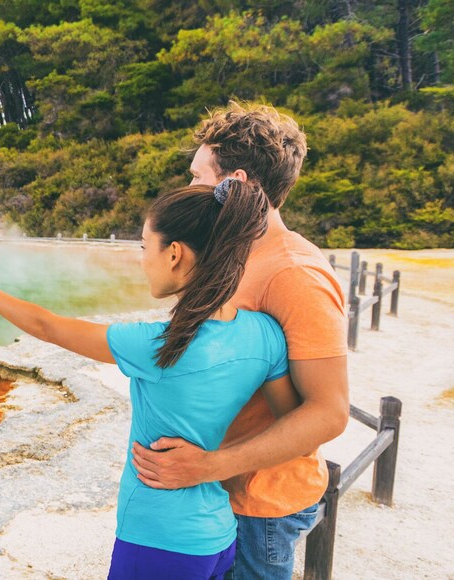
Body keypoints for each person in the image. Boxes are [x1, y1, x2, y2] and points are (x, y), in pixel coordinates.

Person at [0, 179, 300, 579]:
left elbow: (49, 327)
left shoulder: (158, 346)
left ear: (174, 254)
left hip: (157, 538)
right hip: (218, 534)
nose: (140, 259)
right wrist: (214, 464)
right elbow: (289, 421)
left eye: (142, 246)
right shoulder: (265, 334)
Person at [129, 102, 350, 579]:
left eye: (197, 176)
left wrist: (208, 466)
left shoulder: (295, 274)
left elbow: (329, 412)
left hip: (260, 507)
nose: (188, 189)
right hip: (215, 492)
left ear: (237, 184)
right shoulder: (232, 254)